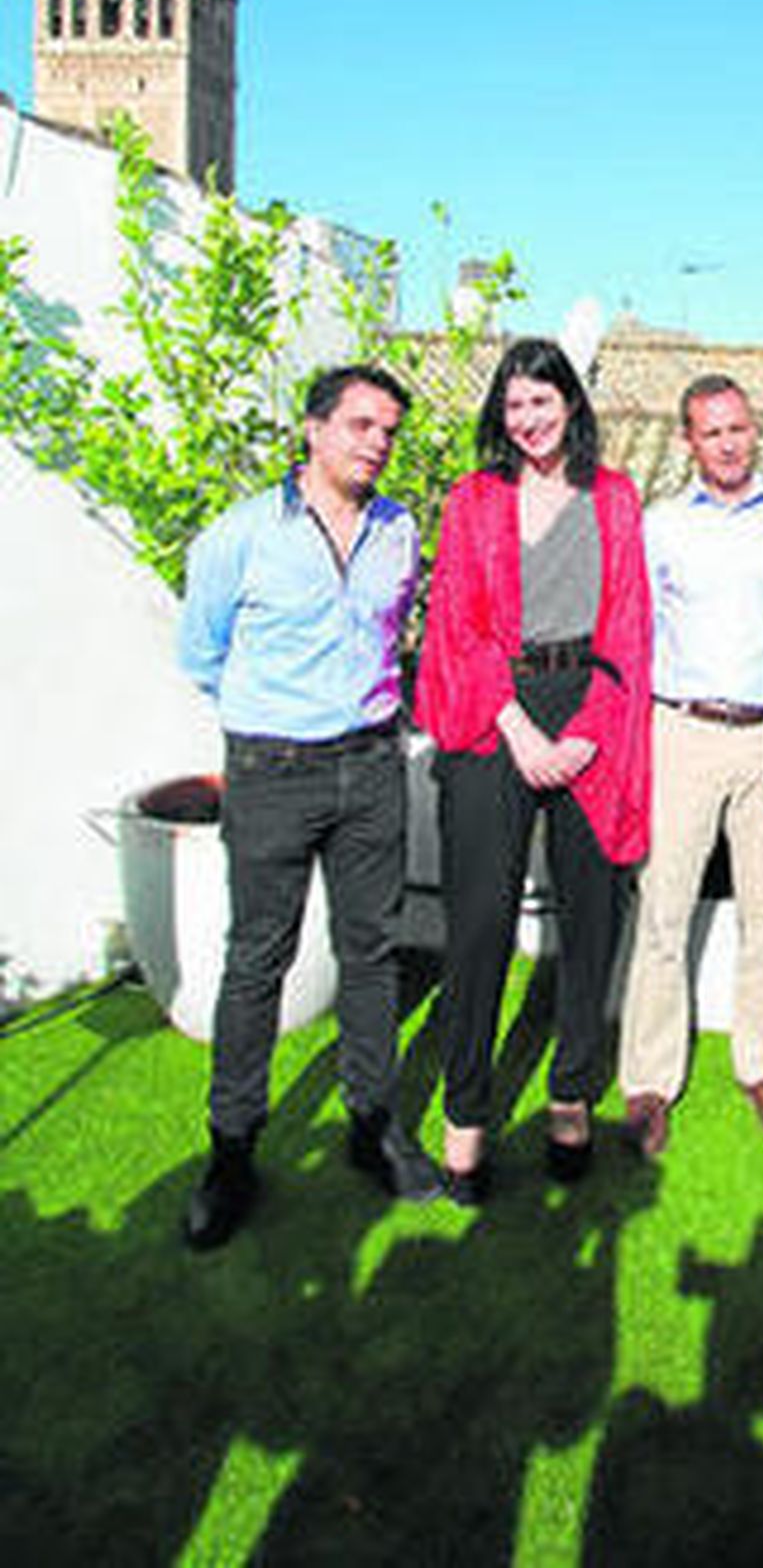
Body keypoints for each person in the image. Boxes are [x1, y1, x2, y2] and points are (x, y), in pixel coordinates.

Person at [177, 364, 439, 1251]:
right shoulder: (240, 535)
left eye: (389, 431)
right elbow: (203, 653)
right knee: (257, 961)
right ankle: (231, 1152)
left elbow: (395, 635)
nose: (377, 442)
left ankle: (374, 1130)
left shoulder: (401, 531)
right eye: (361, 424)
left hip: (370, 767)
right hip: (272, 770)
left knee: (372, 954)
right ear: (313, 429)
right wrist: (274, 726)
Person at [415, 338, 650, 1195]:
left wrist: (587, 731)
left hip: (593, 711)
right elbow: (456, 623)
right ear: (499, 414)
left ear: (571, 405)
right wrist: (517, 727)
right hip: (494, 716)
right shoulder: (474, 500)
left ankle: (570, 1094)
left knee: (591, 921)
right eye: (513, 405)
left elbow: (628, 621)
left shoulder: (616, 497)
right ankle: (466, 1114)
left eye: (542, 402)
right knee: (478, 924)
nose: (528, 420)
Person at [617, 375, 763, 1156]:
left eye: (737, 428)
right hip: (683, 731)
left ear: (755, 430)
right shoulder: (659, 526)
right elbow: (634, 632)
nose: (727, 443)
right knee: (662, 912)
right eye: (710, 432)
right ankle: (649, 1084)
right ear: (686, 441)